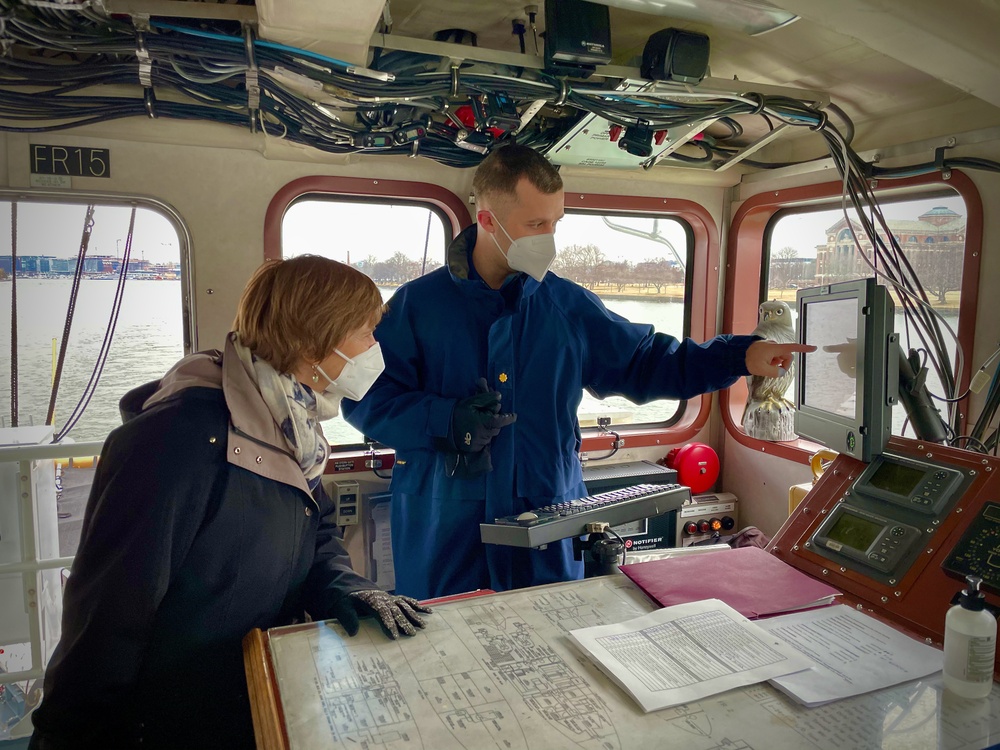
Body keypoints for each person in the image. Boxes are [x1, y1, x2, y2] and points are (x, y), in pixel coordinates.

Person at [343, 144, 813, 601]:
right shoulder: (417, 307)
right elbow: (364, 398)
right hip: (445, 533)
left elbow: (647, 362)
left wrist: (738, 357)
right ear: (487, 221)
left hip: (548, 523)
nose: (549, 237)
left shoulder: (565, 306)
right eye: (535, 224)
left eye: (555, 222)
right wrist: (444, 420)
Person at [29, 256, 430, 750]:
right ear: (310, 345)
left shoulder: (292, 423)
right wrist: (68, 737)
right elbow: (107, 617)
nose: (376, 348)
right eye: (365, 334)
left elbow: (317, 531)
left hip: (254, 694)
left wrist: (347, 588)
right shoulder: (174, 440)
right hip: (169, 722)